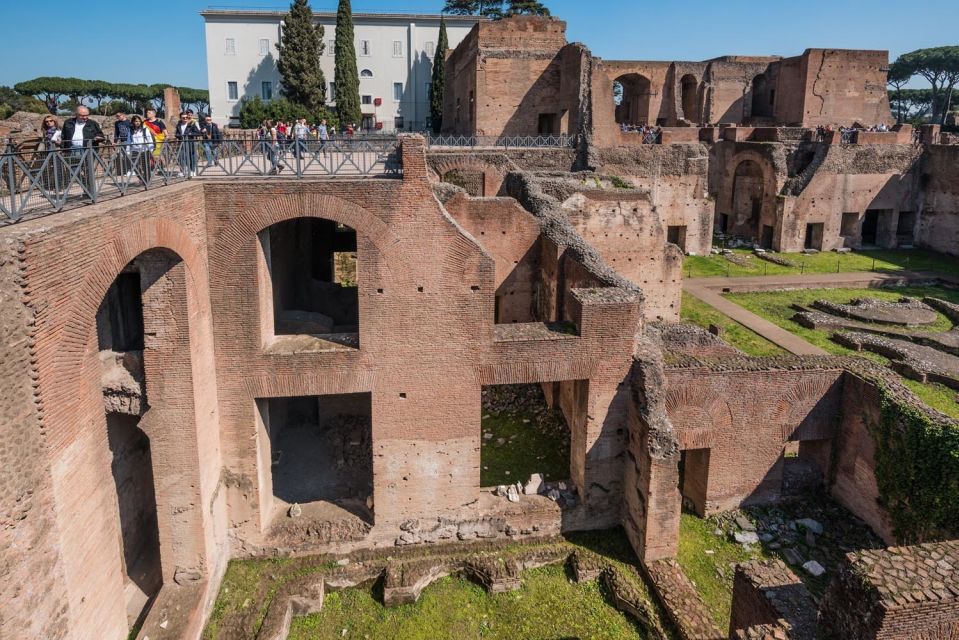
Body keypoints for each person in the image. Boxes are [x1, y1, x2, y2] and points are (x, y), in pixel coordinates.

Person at [60, 106, 105, 195]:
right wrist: (62, 148)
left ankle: (91, 193)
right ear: (76, 114)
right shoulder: (68, 123)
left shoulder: (93, 123)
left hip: (88, 151)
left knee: (89, 172)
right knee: (74, 172)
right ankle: (87, 188)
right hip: (72, 150)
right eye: (82, 115)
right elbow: (63, 136)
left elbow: (101, 135)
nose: (85, 117)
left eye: (86, 115)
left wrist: (98, 138)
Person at [127, 115, 155, 182]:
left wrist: (151, 149)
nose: (137, 122)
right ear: (133, 122)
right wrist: (127, 150)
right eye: (136, 121)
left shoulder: (145, 129)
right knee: (134, 166)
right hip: (135, 150)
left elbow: (149, 139)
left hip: (145, 149)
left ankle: (147, 180)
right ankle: (141, 178)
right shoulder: (130, 130)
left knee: (146, 166)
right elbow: (129, 140)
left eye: (139, 121)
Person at [174, 111, 201, 176]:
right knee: (181, 157)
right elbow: (176, 134)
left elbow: (198, 133)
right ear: (180, 118)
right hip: (182, 143)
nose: (185, 118)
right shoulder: (179, 125)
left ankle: (192, 170)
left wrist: (190, 134)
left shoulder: (191, 124)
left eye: (186, 117)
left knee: (191, 157)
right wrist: (179, 135)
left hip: (190, 143)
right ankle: (184, 170)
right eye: (183, 118)